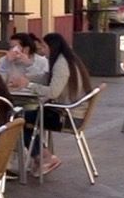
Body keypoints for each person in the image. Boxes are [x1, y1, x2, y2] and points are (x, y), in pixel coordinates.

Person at [13, 32, 90, 176]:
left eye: (44, 46)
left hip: (67, 116)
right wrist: (27, 79)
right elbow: (47, 78)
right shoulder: (67, 60)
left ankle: (44, 157)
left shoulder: (61, 64)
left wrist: (29, 85)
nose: (42, 50)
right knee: (27, 118)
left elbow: (53, 92)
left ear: (52, 47)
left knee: (19, 120)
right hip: (69, 112)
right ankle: (40, 157)